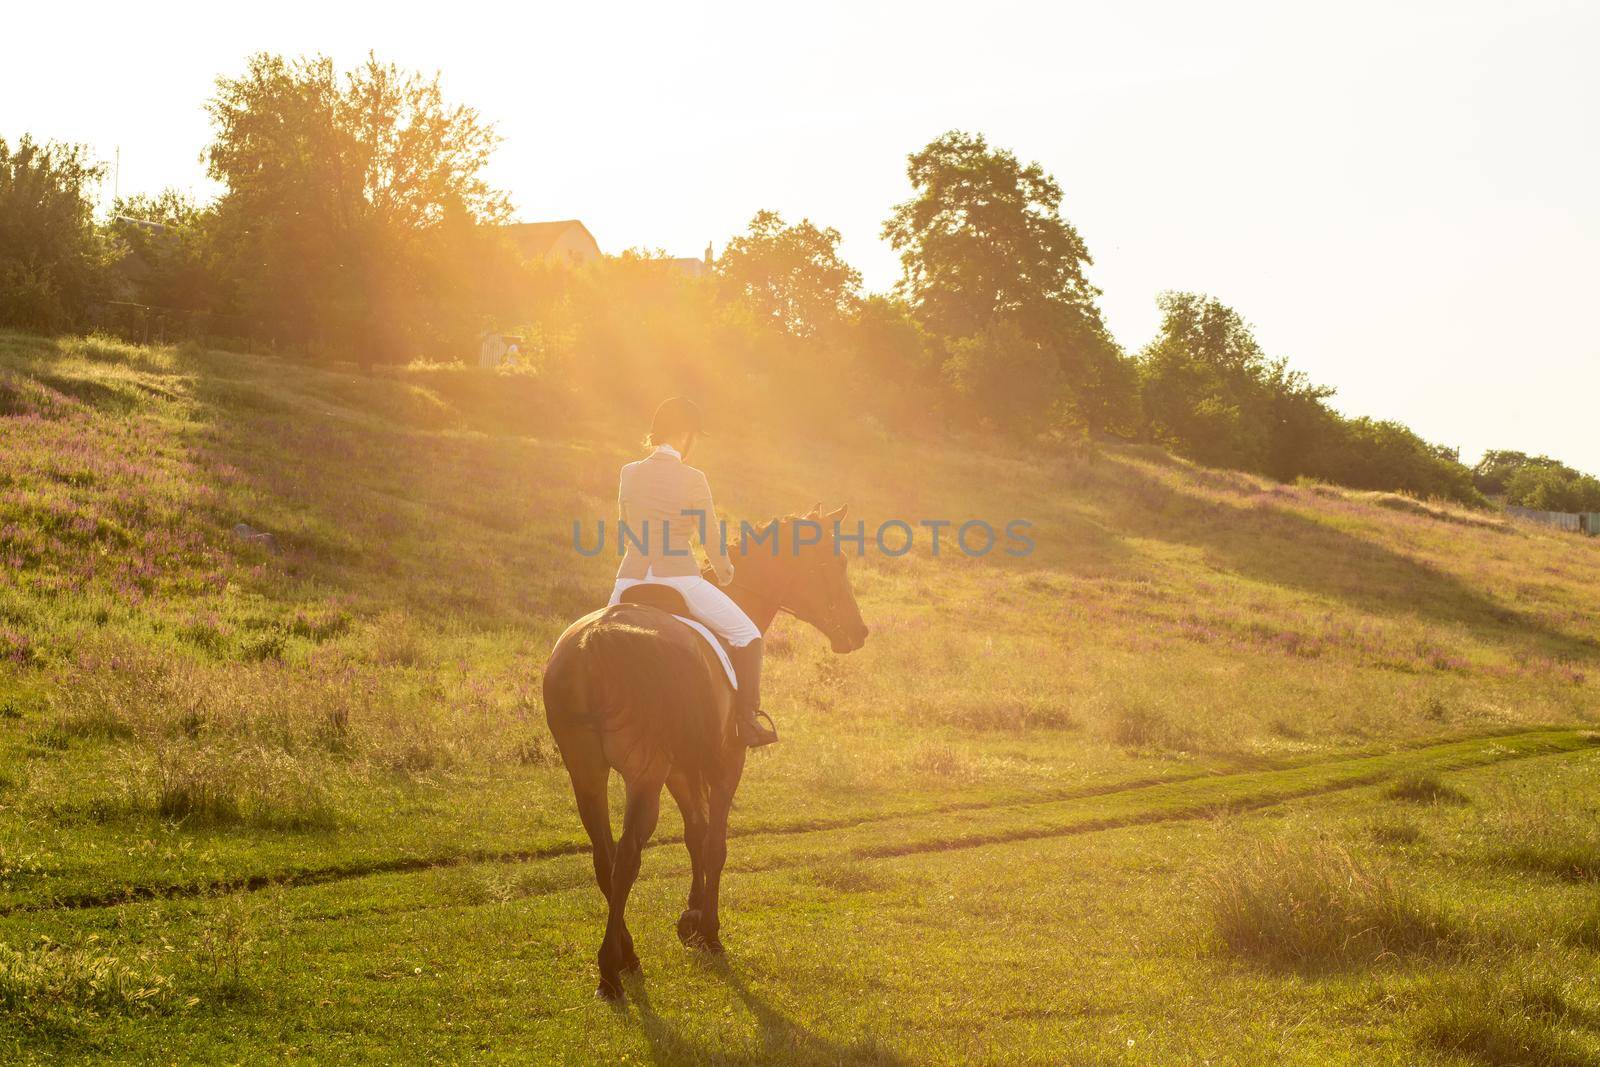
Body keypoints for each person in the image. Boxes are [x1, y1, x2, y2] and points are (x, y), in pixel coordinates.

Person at [608, 397, 779, 747]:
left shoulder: (628, 472)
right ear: (685, 435)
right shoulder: (694, 478)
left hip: (629, 580)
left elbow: (625, 525)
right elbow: (711, 539)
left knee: (593, 634)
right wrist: (725, 571)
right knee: (748, 635)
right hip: (679, 579)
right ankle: (747, 722)